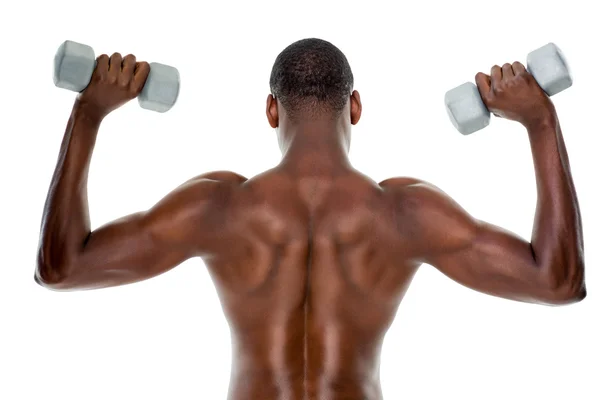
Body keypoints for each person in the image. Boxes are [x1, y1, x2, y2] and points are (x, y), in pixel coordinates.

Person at [35, 38, 586, 400]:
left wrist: (89, 111)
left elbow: (61, 267)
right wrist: (540, 121)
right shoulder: (406, 214)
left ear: (271, 110)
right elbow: (557, 282)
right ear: (356, 108)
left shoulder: (217, 208)